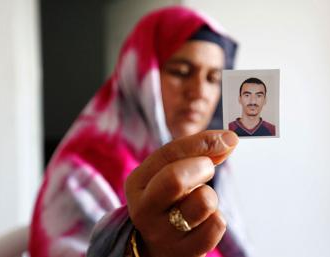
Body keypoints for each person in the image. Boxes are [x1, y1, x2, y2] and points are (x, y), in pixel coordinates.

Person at [29, 6, 249, 257]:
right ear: (140, 75)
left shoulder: (215, 168)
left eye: (213, 79)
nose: (198, 92)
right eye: (181, 72)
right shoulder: (79, 171)